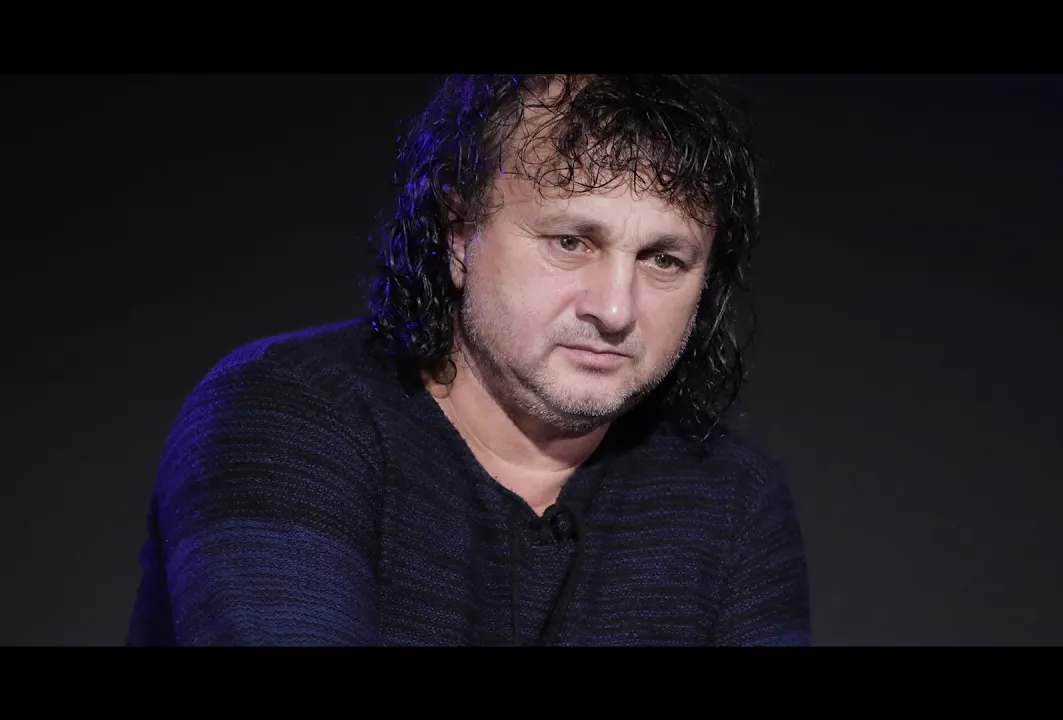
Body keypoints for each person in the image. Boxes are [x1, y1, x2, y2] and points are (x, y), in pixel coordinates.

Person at [125, 74, 810, 646]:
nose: (615, 308)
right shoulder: (285, 412)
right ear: (460, 233)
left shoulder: (732, 497)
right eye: (571, 242)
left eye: (664, 260)